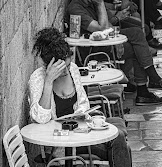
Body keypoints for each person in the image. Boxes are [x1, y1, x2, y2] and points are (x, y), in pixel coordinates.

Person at [66, 0, 162, 105]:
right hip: (94, 50)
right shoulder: (77, 8)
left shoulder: (91, 0)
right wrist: (100, 3)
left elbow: (108, 18)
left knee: (137, 33)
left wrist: (114, 10)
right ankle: (144, 89)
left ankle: (147, 84)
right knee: (137, 49)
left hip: (104, 41)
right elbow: (102, 28)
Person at [28, 27, 132, 167]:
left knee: (119, 140)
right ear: (49, 65)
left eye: (67, 64)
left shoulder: (73, 70)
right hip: (59, 142)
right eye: (61, 68)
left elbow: (84, 103)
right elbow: (40, 119)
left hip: (81, 133)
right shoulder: (38, 79)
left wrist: (80, 115)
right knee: (120, 145)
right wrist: (48, 82)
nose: (66, 70)